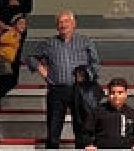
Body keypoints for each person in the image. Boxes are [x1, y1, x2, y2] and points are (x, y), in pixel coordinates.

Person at [24, 11, 101, 149]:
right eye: (60, 22)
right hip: (57, 90)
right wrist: (41, 69)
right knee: (53, 130)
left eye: (66, 21)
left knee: (82, 129)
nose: (63, 25)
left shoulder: (85, 41)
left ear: (73, 24)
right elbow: (30, 57)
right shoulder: (49, 43)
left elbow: (95, 63)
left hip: (80, 90)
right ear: (56, 26)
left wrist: (85, 74)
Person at [83, 77, 134, 151]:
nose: (116, 96)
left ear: (126, 94)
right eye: (112, 93)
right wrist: (89, 144)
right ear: (108, 94)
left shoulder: (131, 112)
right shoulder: (97, 111)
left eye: (120, 93)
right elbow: (87, 132)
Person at [0, 14, 28, 105]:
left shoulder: (19, 35)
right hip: (2, 59)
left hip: (6, 60)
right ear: (14, 24)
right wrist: (13, 35)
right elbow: (2, 39)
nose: (23, 26)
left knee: (7, 82)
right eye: (20, 23)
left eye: (24, 24)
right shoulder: (11, 32)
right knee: (10, 81)